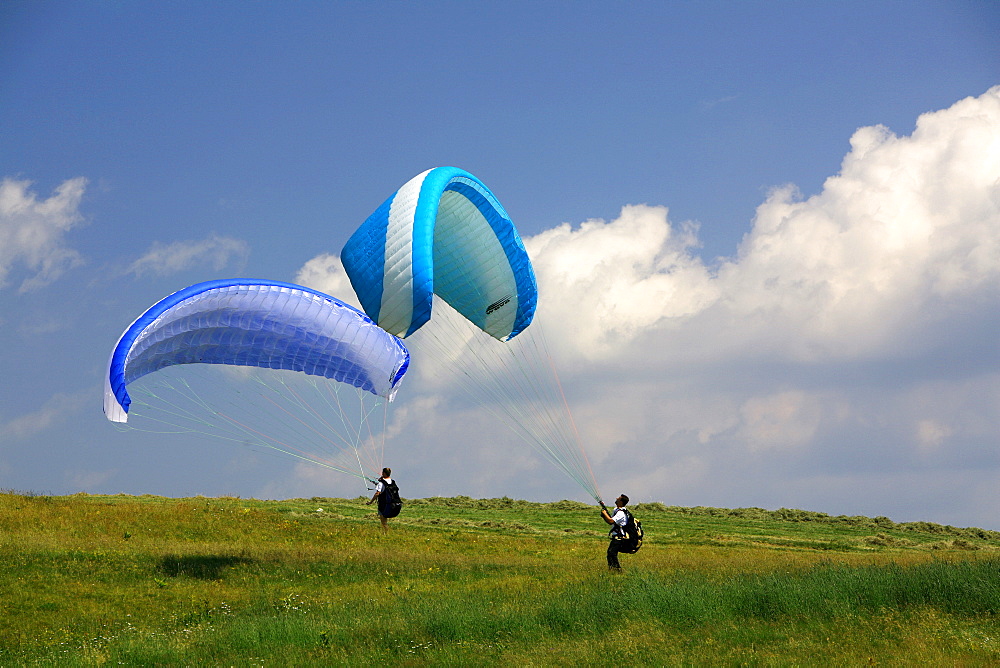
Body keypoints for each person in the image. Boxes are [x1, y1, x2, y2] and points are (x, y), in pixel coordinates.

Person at [601, 494, 630, 571]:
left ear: (621, 502)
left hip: (619, 538)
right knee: (611, 553)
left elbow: (610, 521)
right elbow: (611, 522)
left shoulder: (620, 513)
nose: (616, 498)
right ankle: (613, 569)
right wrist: (604, 516)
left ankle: (617, 570)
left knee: (611, 553)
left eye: (619, 498)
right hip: (617, 537)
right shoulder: (617, 511)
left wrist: (604, 514)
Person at [366, 467, 396, 533]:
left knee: (383, 520)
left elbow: (377, 493)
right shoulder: (392, 481)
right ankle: (386, 532)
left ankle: (386, 533)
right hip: (391, 503)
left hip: (383, 504)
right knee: (385, 519)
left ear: (384, 473)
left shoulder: (381, 483)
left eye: (382, 473)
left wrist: (371, 502)